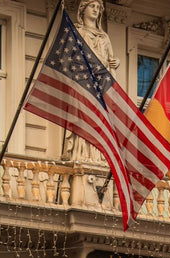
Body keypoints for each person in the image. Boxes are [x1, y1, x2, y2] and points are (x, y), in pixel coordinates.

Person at [63, 0, 120, 164]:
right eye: (92, 6)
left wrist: (115, 62)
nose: (96, 10)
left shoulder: (104, 37)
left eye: (98, 8)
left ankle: (98, 155)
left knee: (100, 118)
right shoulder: (77, 31)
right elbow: (68, 59)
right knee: (84, 116)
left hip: (100, 83)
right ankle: (82, 154)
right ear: (83, 9)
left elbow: (110, 61)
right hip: (83, 81)